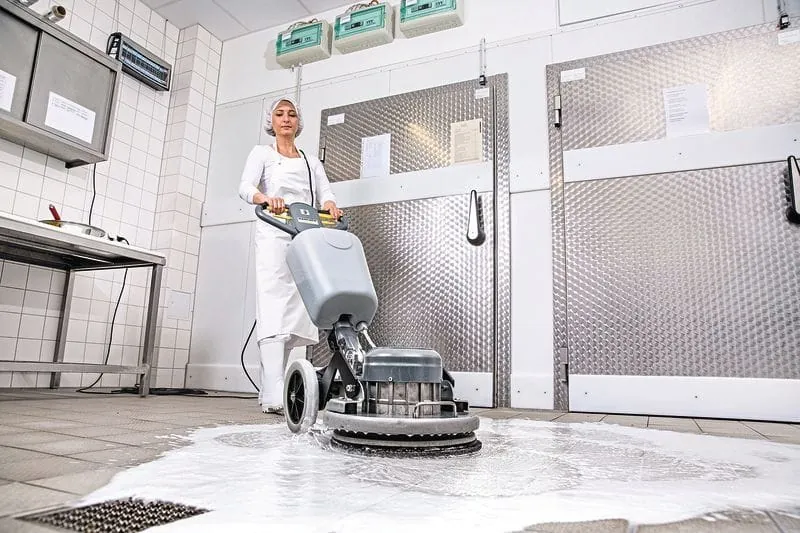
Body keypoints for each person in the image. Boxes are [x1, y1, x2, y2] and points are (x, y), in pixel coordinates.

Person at [238, 96, 343, 413]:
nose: (286, 119)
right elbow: (245, 187)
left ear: (299, 122)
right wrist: (265, 198)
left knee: (293, 315)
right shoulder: (262, 153)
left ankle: (271, 390)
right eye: (280, 114)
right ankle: (273, 392)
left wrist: (330, 205)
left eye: (292, 114)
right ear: (271, 121)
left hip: (304, 237)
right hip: (273, 233)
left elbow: (325, 193)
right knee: (273, 308)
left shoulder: (312, 162)